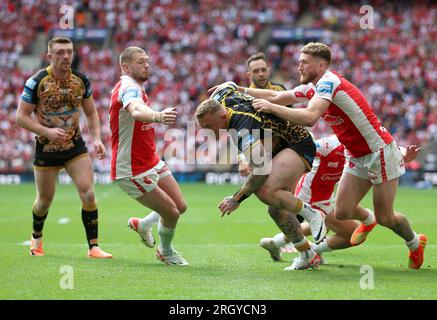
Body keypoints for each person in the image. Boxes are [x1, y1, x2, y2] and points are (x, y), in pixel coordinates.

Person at [236, 42, 427, 269]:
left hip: (379, 153)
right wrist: (241, 90)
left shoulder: (328, 82)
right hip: (356, 156)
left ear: (321, 65)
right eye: (299, 62)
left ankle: (415, 243)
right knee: (343, 211)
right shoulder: (314, 86)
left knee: (386, 217)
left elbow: (309, 117)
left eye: (304, 63)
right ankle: (365, 222)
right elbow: (278, 96)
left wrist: (270, 107)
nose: (299, 67)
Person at [196, 81, 327, 270]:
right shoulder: (220, 97)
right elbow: (229, 85)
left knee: (265, 191)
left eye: (209, 126)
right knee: (276, 209)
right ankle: (307, 254)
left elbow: (260, 170)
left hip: (296, 144)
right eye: (203, 127)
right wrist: (228, 84)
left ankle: (313, 215)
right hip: (277, 144)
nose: (206, 131)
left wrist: (237, 198)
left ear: (223, 117)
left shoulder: (243, 128)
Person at [16, 37, 112, 258]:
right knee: (44, 202)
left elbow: (91, 112)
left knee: (88, 193)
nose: (66, 56)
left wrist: (97, 138)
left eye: (69, 52)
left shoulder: (81, 80)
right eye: (60, 52)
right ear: (49, 56)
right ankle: (36, 238)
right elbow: (21, 117)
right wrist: (47, 132)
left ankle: (94, 247)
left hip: (74, 147)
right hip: (46, 149)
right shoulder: (36, 81)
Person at [260, 135, 421, 262]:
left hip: (326, 196)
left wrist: (404, 153)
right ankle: (301, 250)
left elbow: (383, 148)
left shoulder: (366, 147)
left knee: (345, 230)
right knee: (338, 227)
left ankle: (282, 244)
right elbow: (299, 149)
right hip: (310, 196)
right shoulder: (329, 145)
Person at [109, 46, 189, 266]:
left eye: (147, 61)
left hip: (151, 161)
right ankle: (166, 251)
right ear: (126, 67)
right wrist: (157, 116)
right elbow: (135, 110)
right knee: (171, 213)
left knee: (180, 206)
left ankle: (143, 225)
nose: (147, 65)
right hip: (131, 168)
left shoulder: (136, 87)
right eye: (141, 61)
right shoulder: (127, 87)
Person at [238, 53, 288, 176]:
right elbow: (242, 133)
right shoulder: (244, 100)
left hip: (287, 149)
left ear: (269, 71)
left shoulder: (280, 90)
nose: (261, 74)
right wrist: (243, 158)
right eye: (256, 71)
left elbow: (292, 117)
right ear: (249, 75)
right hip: (263, 153)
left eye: (263, 70)